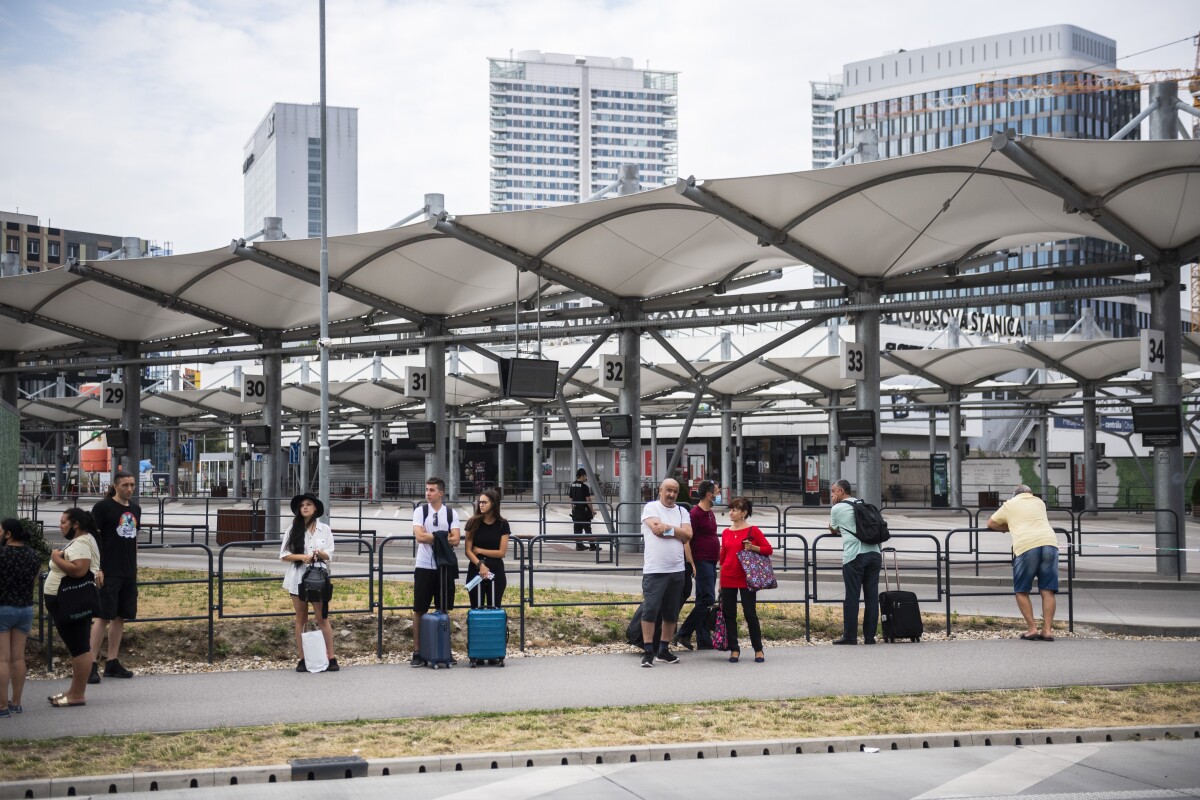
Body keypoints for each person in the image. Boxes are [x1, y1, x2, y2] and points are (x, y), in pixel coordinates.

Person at [987, 484, 1060, 641]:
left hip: (1026, 546)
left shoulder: (1009, 504)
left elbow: (991, 523)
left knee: (1021, 590)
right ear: (1030, 493)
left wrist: (1008, 527)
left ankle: (1032, 628)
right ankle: (1047, 630)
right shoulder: (1040, 502)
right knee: (1048, 590)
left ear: (1015, 495)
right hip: (1050, 543)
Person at [88, 470, 141, 683]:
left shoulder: (135, 509)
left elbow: (134, 538)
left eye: (132, 485)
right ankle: (90, 663)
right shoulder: (102, 508)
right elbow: (92, 538)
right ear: (116, 486)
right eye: (125, 485)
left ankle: (112, 661)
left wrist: (135, 566)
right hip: (108, 569)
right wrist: (96, 568)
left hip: (128, 571)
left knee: (121, 616)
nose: (129, 489)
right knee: (103, 615)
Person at [45, 508, 101, 707]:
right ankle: (73, 691)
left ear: (75, 524)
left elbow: (79, 570)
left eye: (63, 522)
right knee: (77, 647)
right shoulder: (84, 540)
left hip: (70, 601)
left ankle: (78, 695)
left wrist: (56, 558)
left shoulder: (81, 542)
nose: (60, 526)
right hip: (66, 601)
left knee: (80, 649)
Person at [280, 493, 337, 672]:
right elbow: (284, 554)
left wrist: (318, 553)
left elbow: (331, 553)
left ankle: (331, 657)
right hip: (298, 576)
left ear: (315, 508)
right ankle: (302, 658)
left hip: (318, 578)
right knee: (301, 618)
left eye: (308, 504)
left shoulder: (325, 529)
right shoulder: (293, 529)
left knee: (322, 617)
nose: (304, 507)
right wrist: (302, 557)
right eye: (302, 505)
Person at [638, 478, 692, 667]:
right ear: (660, 490)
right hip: (655, 570)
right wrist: (678, 532)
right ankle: (647, 651)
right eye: (668, 490)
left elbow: (689, 536)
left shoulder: (682, 511)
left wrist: (669, 528)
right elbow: (656, 531)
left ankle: (663, 649)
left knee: (671, 613)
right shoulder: (651, 508)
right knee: (650, 610)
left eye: (675, 491)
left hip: (677, 570)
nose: (671, 494)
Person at [410, 477, 461, 667]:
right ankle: (417, 650)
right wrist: (442, 535)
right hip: (423, 565)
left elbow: (456, 540)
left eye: (432, 490)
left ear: (441, 493)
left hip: (444, 566)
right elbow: (419, 537)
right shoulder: (420, 511)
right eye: (426, 489)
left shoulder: (450, 514)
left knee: (444, 608)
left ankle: (443, 648)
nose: (428, 493)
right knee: (419, 609)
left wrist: (433, 536)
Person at [717, 497, 773, 663]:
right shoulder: (726, 532)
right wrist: (720, 581)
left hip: (747, 578)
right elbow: (723, 557)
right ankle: (734, 649)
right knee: (729, 614)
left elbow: (768, 549)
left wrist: (753, 547)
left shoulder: (753, 531)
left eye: (735, 509)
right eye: (730, 509)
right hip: (728, 576)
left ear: (744, 513)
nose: (731, 512)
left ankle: (758, 649)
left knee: (750, 614)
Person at [828, 479, 882, 645]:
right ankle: (869, 637)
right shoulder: (863, 504)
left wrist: (832, 524)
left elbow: (833, 528)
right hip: (875, 553)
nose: (831, 495)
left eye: (833, 492)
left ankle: (850, 636)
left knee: (852, 596)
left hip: (854, 556)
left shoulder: (837, 508)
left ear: (842, 492)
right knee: (872, 597)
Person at [1, 519, 41, 718]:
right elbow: (34, 582)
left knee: (2, 659)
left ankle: (1, 707)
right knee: (18, 658)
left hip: (2, 608)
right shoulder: (33, 555)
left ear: (8, 534)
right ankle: (16, 702)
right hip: (25, 609)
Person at [673, 480, 718, 651]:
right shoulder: (695, 514)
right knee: (708, 599)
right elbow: (686, 540)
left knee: (702, 600)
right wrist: (691, 562)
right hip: (702, 560)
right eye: (717, 491)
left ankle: (703, 639)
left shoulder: (710, 512)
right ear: (709, 495)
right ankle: (684, 632)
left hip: (711, 560)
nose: (718, 494)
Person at [464, 489, 511, 609]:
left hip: (496, 570)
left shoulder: (502, 524)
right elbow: (468, 551)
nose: (481, 505)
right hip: (476, 570)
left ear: (494, 504)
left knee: (494, 607)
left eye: (485, 502)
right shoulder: (473, 522)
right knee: (476, 606)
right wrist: (480, 565)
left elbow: (501, 552)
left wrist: (480, 550)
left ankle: (495, 628)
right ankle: (476, 628)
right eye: (480, 502)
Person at [568, 468, 598, 551]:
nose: (586, 478)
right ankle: (592, 546)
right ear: (581, 476)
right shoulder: (584, 486)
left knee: (577, 529)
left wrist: (573, 509)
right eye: (585, 476)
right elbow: (588, 499)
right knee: (587, 529)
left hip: (576, 511)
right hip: (584, 511)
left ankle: (579, 546)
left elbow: (571, 499)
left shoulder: (572, 485)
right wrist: (592, 510)